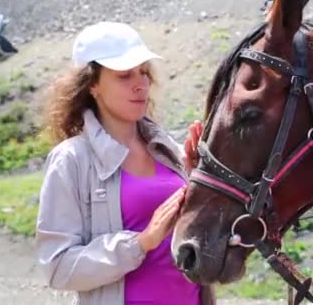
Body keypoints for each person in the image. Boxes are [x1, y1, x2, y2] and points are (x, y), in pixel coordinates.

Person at [35, 21, 212, 304]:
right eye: (124, 75)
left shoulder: (171, 152)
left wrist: (200, 179)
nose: (140, 84)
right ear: (92, 84)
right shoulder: (71, 160)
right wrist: (141, 243)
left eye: (143, 72)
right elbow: (58, 268)